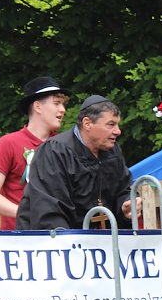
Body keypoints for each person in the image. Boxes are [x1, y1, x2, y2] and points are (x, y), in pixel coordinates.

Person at [15, 95, 139, 230]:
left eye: (117, 124)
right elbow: (49, 208)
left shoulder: (112, 152)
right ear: (87, 123)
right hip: (59, 242)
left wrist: (126, 205)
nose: (118, 131)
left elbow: (123, 189)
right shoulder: (56, 152)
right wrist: (68, 244)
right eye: (111, 124)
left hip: (102, 242)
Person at [0, 77, 71, 230]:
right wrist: (25, 214)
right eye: (57, 103)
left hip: (59, 238)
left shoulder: (65, 145)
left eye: (63, 104)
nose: (63, 109)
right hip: (19, 243)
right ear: (38, 107)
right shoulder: (8, 143)